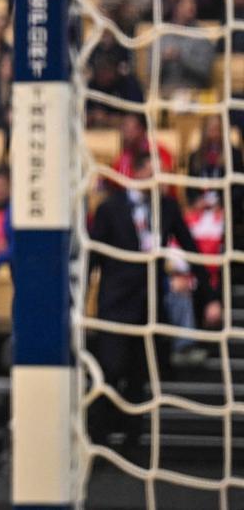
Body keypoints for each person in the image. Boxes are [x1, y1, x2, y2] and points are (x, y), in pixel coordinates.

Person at [88, 153, 219, 447]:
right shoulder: (111, 208)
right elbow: (93, 259)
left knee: (139, 379)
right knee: (110, 372)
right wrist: (80, 303)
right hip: (115, 306)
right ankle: (98, 438)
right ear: (138, 172)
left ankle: (132, 443)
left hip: (148, 308)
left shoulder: (167, 208)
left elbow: (192, 250)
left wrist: (210, 298)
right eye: (155, 170)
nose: (161, 178)